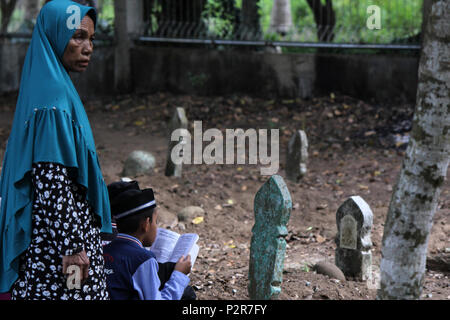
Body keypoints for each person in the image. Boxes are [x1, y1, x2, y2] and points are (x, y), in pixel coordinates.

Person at [0, 0, 112, 299]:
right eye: (77, 36)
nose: (87, 47)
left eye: (91, 39)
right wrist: (73, 249)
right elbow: (51, 180)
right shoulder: (53, 97)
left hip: (49, 238)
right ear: (54, 36)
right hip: (58, 249)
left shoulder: (44, 87)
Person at [103, 187, 192, 300]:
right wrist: (179, 275)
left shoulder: (103, 250)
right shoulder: (143, 259)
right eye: (156, 222)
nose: (157, 227)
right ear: (146, 224)